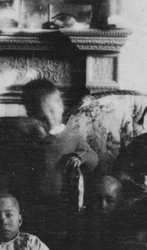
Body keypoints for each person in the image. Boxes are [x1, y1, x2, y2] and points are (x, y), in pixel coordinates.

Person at [13, 79, 98, 241]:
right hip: (33, 200)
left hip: (63, 200)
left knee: (63, 235)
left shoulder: (72, 135)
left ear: (61, 107)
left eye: (52, 111)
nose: (49, 119)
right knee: (33, 236)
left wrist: (78, 157)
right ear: (31, 116)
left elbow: (93, 157)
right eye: (40, 116)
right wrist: (33, 139)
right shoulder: (28, 137)